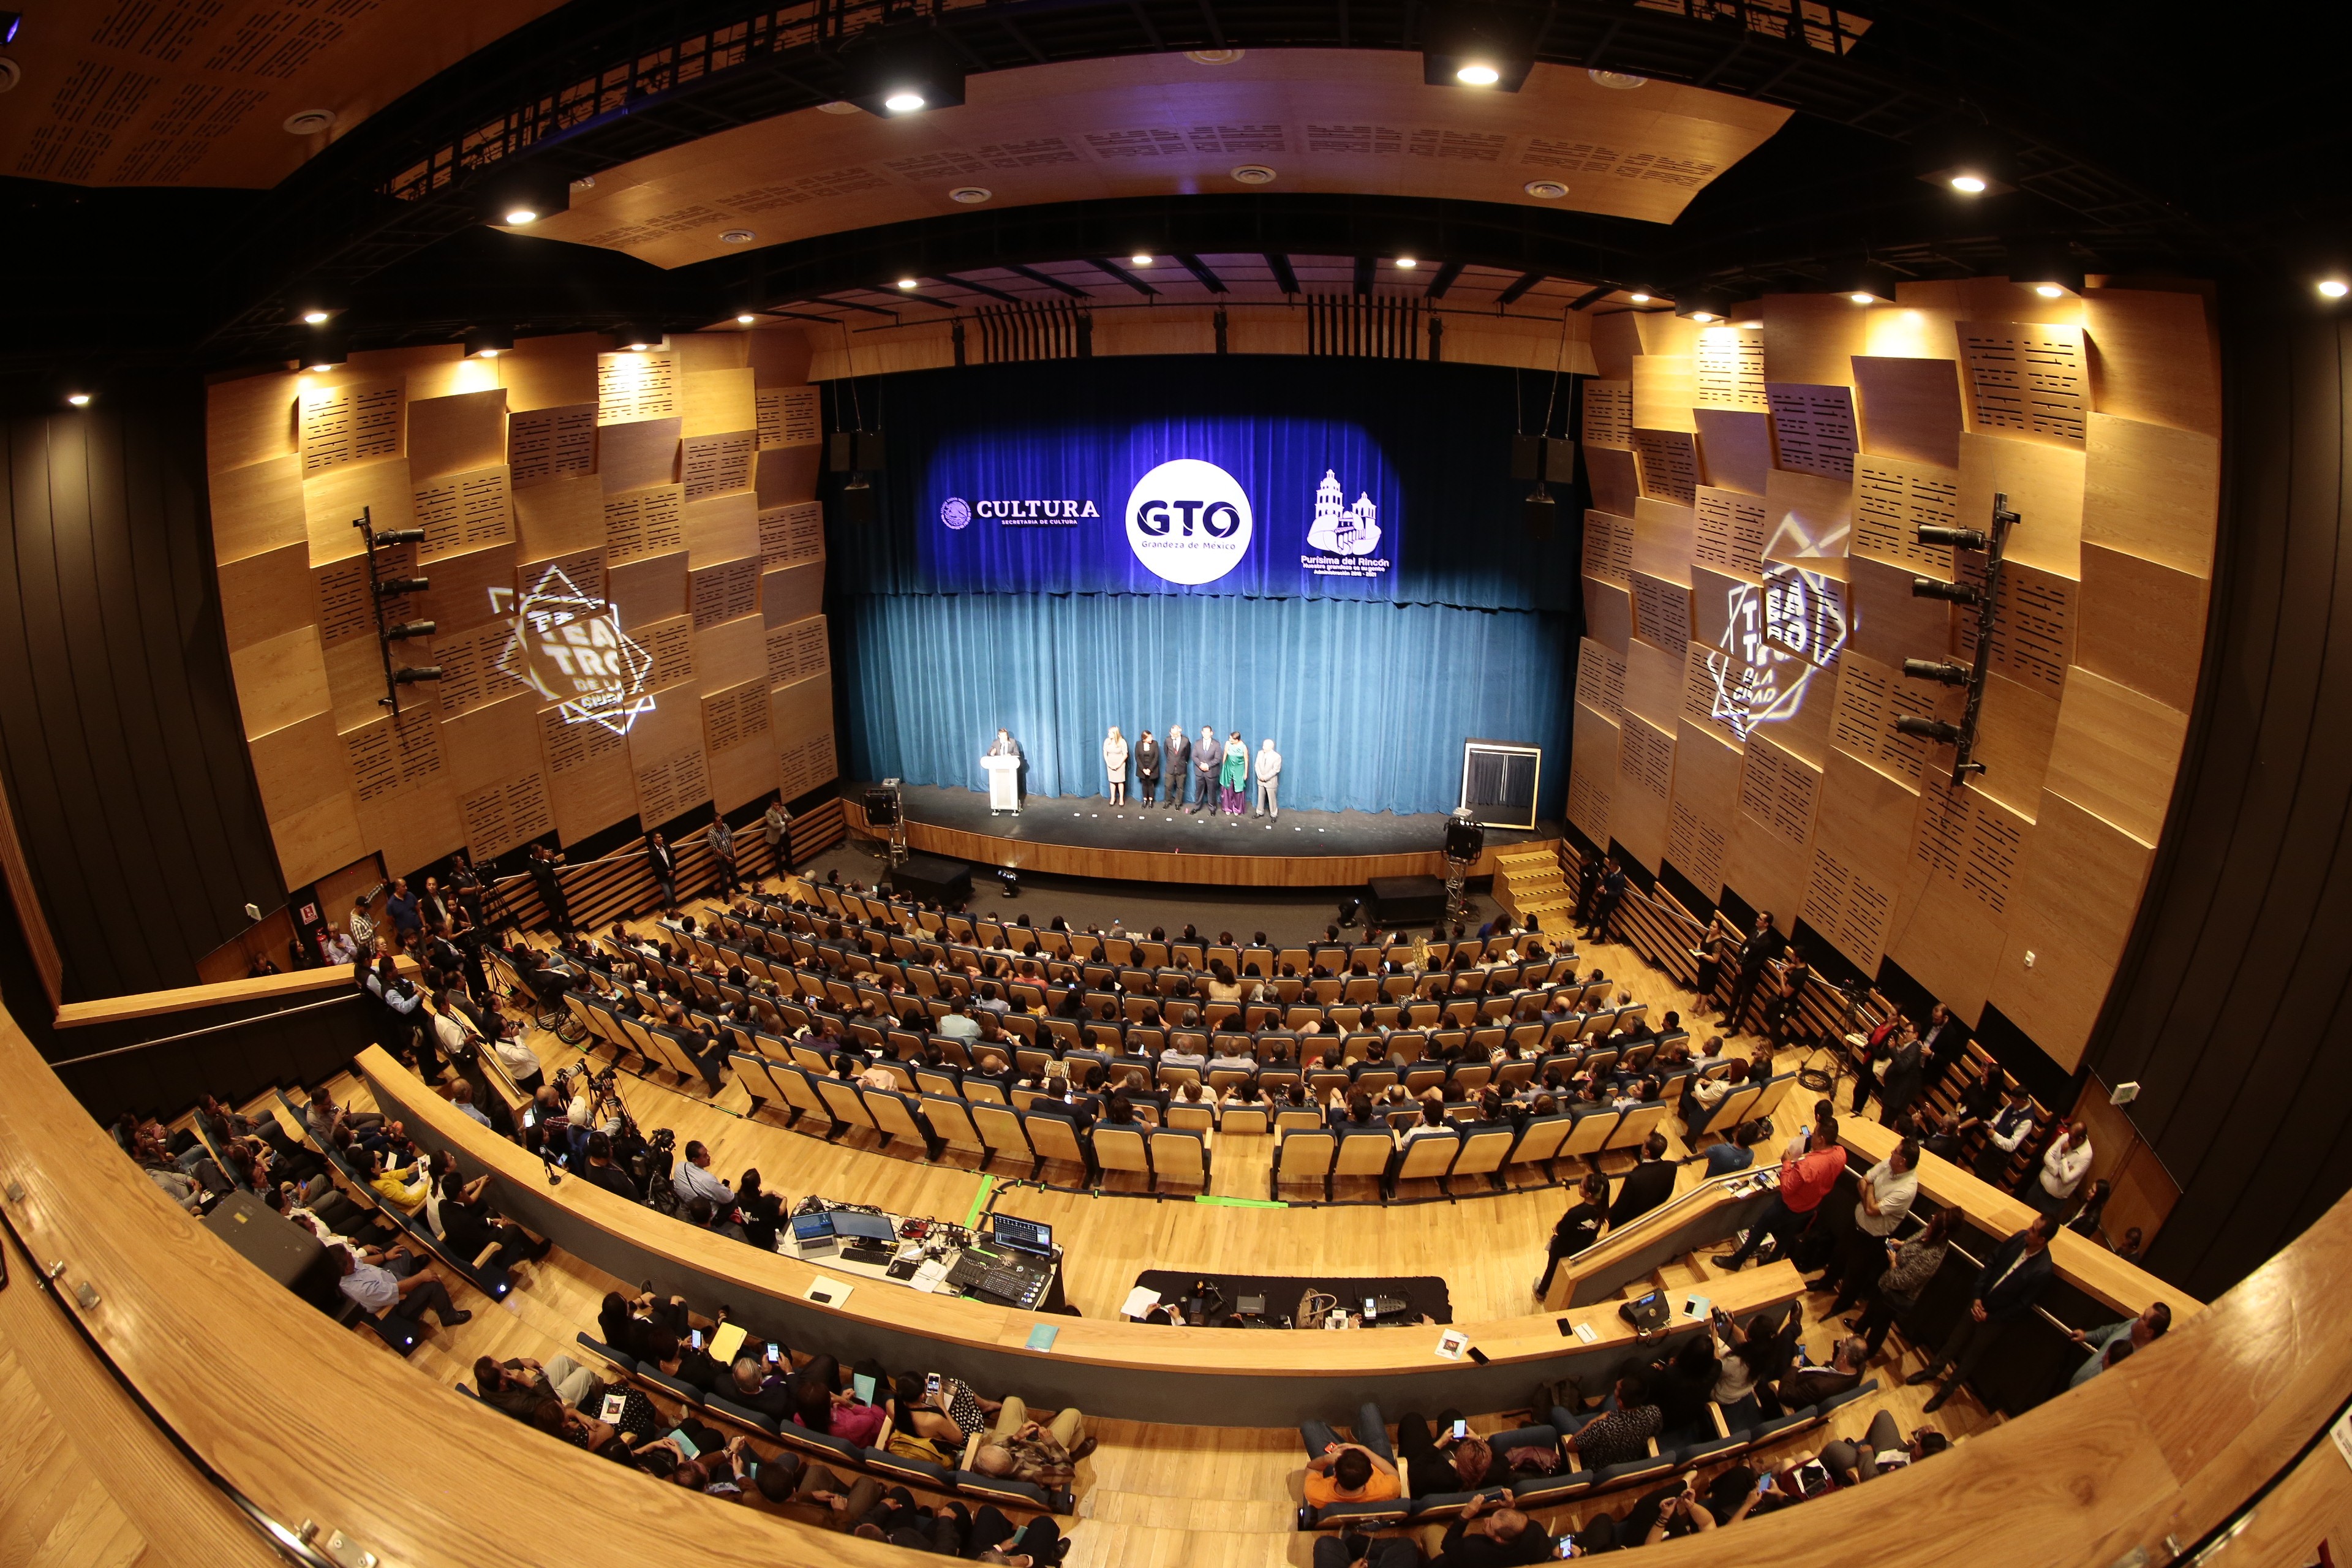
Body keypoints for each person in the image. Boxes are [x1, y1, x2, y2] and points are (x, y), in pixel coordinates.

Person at [1906, 1213, 2059, 1412]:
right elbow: (1992, 1261)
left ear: (2042, 1240)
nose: (2028, 1231)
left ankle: (1946, 1391)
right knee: (1954, 1340)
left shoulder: (2042, 1269)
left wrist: (1990, 1317)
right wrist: (1977, 1296)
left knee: (1971, 1357)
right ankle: (1932, 1370)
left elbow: (2022, 1305)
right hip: (1978, 1302)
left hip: (1995, 1320)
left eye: (2033, 1230)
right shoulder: (2019, 1238)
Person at [1718, 1112, 1845, 1271]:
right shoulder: (1841, 1154)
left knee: (1759, 1229)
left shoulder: (1808, 1167)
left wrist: (1786, 1164)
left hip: (1789, 1207)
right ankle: (1771, 1264)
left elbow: (1787, 1188)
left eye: (1815, 1133)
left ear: (1821, 1139)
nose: (1811, 1135)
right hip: (1810, 1206)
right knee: (1786, 1236)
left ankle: (1736, 1261)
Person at [333, 1243, 470, 1329]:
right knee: (432, 1282)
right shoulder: (362, 1289)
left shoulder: (347, 1266)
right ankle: (449, 1317)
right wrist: (421, 1278)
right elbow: (397, 1290)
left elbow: (360, 1261)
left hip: (389, 1276)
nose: (352, 1255)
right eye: (349, 1256)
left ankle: (429, 1295)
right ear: (346, 1269)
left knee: (401, 1252)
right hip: (396, 1304)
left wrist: (385, 1257)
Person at [1561, 1372, 1662, 1466]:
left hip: (1595, 1465)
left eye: (1617, 1389)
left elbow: (1571, 1447)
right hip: (1629, 1459)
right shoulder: (1654, 1413)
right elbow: (1655, 1433)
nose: (1616, 1387)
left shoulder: (1603, 1425)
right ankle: (1585, 1411)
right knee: (1610, 1399)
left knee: (1557, 1412)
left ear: (1620, 1403)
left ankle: (1583, 1413)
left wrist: (1592, 1422)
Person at [1536, 1172, 1611, 1296]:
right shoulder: (1602, 1208)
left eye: (1581, 1186)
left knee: (1552, 1269)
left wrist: (1557, 1227)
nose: (1578, 1186)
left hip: (1564, 1248)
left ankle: (1541, 1291)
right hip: (1583, 1245)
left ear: (1588, 1194)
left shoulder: (1576, 1213)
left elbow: (1561, 1230)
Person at [1300, 1418, 1401, 1510]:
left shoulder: (1317, 1494)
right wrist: (1363, 1449)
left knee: (1310, 1427)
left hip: (1352, 1467)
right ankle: (1358, 1437)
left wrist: (1326, 1459)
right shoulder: (1389, 1490)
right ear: (1371, 1472)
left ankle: (1352, 1438)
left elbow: (1312, 1468)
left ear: (1335, 1472)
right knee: (1369, 1408)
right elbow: (1394, 1474)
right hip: (1380, 1464)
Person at [2067, 1300, 2171, 1388]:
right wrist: (2087, 1335)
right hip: (2076, 1385)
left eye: (2144, 1318)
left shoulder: (2144, 1362)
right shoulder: (2132, 1323)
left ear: (2149, 1332)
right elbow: (2109, 1331)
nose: (2140, 1316)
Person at [1720, 911, 1785, 1031]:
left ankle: (1736, 1028)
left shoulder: (1767, 942)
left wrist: (1743, 969)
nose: (1757, 920)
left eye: (1760, 919)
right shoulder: (1753, 931)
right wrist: (1738, 963)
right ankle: (1728, 1020)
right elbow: (1743, 948)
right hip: (1739, 971)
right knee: (1734, 998)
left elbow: (1759, 962)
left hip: (1749, 976)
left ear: (1766, 924)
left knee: (1744, 1004)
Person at [2027, 1120, 2094, 1219]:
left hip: (2052, 1202)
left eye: (2071, 1139)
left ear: (2080, 1140)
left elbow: (2066, 1179)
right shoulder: (2066, 1137)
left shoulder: (2086, 1156)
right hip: (2038, 1188)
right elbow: (2048, 1156)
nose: (2067, 1140)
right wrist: (2058, 1171)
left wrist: (2063, 1155)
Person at [1607, 1133, 1676, 1227]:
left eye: (1644, 1143)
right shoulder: (1671, 1167)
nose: (1642, 1144)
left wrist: (1609, 1215)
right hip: (1648, 1218)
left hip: (1627, 1222)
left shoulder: (1634, 1178)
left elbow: (1621, 1205)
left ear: (1647, 1152)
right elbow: (1667, 1193)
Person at [671, 1140, 734, 1208]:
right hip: (707, 1215)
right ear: (695, 1161)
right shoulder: (707, 1180)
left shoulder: (679, 1166)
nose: (709, 1157)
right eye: (705, 1156)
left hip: (687, 1209)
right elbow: (728, 1198)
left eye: (707, 1153)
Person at [1583, 855, 1626, 943]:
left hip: (1610, 901)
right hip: (1603, 898)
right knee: (1596, 916)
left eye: (1613, 867)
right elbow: (1604, 880)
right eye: (1610, 866)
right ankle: (1589, 934)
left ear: (1617, 866)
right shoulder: (1610, 872)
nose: (1611, 868)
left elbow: (1618, 893)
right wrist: (1602, 885)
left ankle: (1601, 939)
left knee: (1604, 919)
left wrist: (1606, 892)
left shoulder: (1621, 878)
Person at [987, 729, 1023, 815]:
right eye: (1002, 736)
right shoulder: (995, 743)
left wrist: (1010, 755)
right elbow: (989, 752)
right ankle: (997, 807)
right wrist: (992, 753)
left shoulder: (1013, 742)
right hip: (998, 770)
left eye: (1005, 736)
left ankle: (1014, 807)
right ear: (999, 736)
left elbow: (1017, 753)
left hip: (1010, 769)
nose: (1004, 737)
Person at [706, 815, 739, 897]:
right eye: (719, 821)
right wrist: (726, 857)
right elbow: (715, 849)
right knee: (724, 878)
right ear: (714, 823)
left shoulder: (726, 826)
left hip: (731, 855)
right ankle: (726, 896)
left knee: (734, 874)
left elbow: (732, 839)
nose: (721, 822)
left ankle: (738, 890)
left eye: (721, 820)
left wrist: (734, 853)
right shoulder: (711, 833)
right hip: (721, 859)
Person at [1219, 730, 1248, 814]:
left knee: (1238, 790)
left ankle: (1237, 809)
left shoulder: (1243, 747)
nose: (1230, 740)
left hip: (1239, 770)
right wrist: (1224, 767)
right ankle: (1227, 808)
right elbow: (1225, 755)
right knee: (1227, 789)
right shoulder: (1228, 744)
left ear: (1237, 740)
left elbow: (1246, 760)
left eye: (1231, 739)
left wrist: (1246, 773)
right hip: (1228, 769)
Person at [647, 831, 677, 911]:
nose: (661, 838)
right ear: (654, 840)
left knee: (672, 894)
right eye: (659, 837)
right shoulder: (652, 852)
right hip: (663, 877)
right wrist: (666, 873)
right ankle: (669, 912)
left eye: (661, 837)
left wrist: (673, 870)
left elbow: (673, 859)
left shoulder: (667, 846)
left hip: (672, 874)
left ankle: (675, 911)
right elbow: (655, 867)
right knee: (668, 894)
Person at [1193, 725, 1219, 813]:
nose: (1206, 734)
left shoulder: (1216, 744)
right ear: (1202, 733)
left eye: (1208, 732)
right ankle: (1197, 807)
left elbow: (1217, 759)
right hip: (1199, 772)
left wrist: (1208, 765)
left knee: (1211, 791)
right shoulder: (1197, 743)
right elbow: (1194, 756)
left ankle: (1212, 808)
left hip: (1211, 772)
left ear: (1211, 733)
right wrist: (1201, 765)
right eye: (1204, 732)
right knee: (1199, 791)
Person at [762, 794, 793, 871]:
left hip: (785, 835)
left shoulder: (783, 809)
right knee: (778, 857)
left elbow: (791, 819)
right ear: (772, 805)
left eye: (779, 805)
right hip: (776, 838)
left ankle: (791, 869)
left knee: (788, 853)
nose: (778, 807)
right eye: (776, 805)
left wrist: (784, 815)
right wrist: (784, 823)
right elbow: (774, 826)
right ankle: (781, 873)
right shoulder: (769, 813)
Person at [1163, 722, 1189, 811]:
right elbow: (1166, 752)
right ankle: (1167, 802)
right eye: (1171, 733)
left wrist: (1181, 762)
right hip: (1170, 768)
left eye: (1173, 734)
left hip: (1181, 768)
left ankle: (1178, 803)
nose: (1171, 735)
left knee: (1180, 787)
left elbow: (1187, 754)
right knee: (1168, 786)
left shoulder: (1186, 741)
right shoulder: (1168, 740)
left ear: (1179, 733)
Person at [1101, 726, 1130, 805]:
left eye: (1110, 733)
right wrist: (1108, 764)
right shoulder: (1107, 741)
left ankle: (1121, 799)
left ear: (1115, 734)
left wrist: (1118, 765)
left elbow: (1125, 755)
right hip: (1110, 764)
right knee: (1112, 781)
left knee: (1120, 781)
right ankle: (1113, 798)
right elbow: (1105, 752)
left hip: (1120, 764)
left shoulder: (1122, 742)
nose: (1108, 734)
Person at [1255, 737, 1283, 820]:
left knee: (1272, 799)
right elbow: (1257, 765)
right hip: (1260, 780)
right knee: (1260, 797)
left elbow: (1276, 770)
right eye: (1263, 745)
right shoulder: (1260, 753)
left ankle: (1274, 814)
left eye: (1265, 746)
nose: (1263, 747)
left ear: (1271, 747)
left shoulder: (1277, 757)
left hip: (1270, 781)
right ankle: (1259, 812)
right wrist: (1260, 776)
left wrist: (1266, 777)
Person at [1135, 729, 1161, 809]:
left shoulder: (1155, 744)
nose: (1151, 739)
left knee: (1151, 785)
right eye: (1149, 738)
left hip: (1152, 769)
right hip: (1142, 769)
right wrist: (1143, 769)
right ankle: (1145, 800)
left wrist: (1150, 769)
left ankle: (1151, 801)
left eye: (1151, 737)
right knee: (1144, 785)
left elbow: (1156, 757)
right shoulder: (1138, 744)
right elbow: (1137, 757)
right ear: (1144, 739)